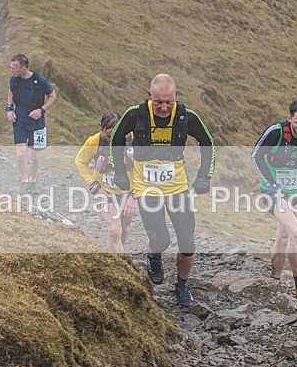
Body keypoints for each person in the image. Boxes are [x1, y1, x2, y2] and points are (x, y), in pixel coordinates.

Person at [110, 74, 215, 307]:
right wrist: (119, 172)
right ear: (149, 96)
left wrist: (203, 176)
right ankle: (154, 254)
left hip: (177, 189)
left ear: (176, 96)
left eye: (169, 101)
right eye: (158, 102)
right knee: (161, 240)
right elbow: (116, 137)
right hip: (146, 189)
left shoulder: (186, 116)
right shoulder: (135, 114)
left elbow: (207, 142)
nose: (164, 107)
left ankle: (181, 286)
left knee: (187, 244)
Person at [251, 99, 297, 301]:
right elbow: (256, 157)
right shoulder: (276, 132)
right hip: (273, 191)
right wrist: (273, 185)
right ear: (289, 118)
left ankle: (273, 280)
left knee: (283, 236)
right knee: (295, 231)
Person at [75, 112, 138, 253]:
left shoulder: (134, 139)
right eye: (109, 136)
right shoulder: (94, 141)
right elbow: (80, 161)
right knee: (115, 229)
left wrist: (135, 195)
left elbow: (145, 165)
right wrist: (95, 187)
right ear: (101, 129)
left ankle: (115, 258)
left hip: (128, 192)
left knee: (124, 228)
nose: (113, 140)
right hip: (105, 191)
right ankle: (120, 266)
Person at [5, 54, 57, 189]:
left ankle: (33, 180)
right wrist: (9, 109)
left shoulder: (39, 80)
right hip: (19, 120)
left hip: (36, 122)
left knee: (34, 155)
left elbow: (52, 95)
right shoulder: (14, 80)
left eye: (14, 68)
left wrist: (42, 110)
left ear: (23, 69)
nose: (12, 70)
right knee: (20, 153)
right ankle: (24, 180)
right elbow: (10, 93)